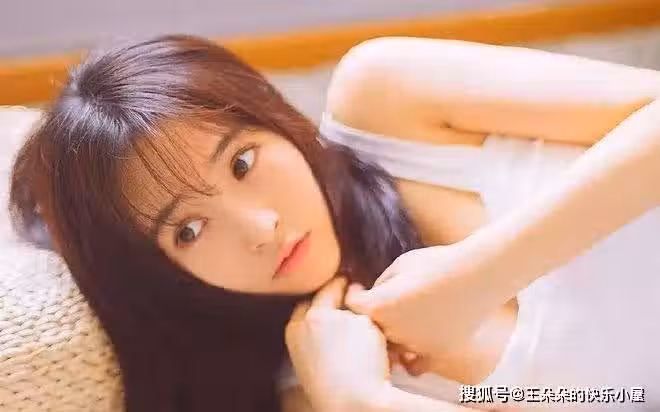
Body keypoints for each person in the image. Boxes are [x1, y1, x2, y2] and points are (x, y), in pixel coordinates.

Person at [8, 35, 477, 411]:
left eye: (242, 163)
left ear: (272, 117)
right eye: (189, 231)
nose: (261, 228)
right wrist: (365, 402)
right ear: (160, 274)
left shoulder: (390, 102)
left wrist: (493, 266)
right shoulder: (318, 387)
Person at [322, 37, 660, 409]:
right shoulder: (328, 381)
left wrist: (481, 277)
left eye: (246, 164)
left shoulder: (380, 100)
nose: (271, 225)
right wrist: (366, 400)